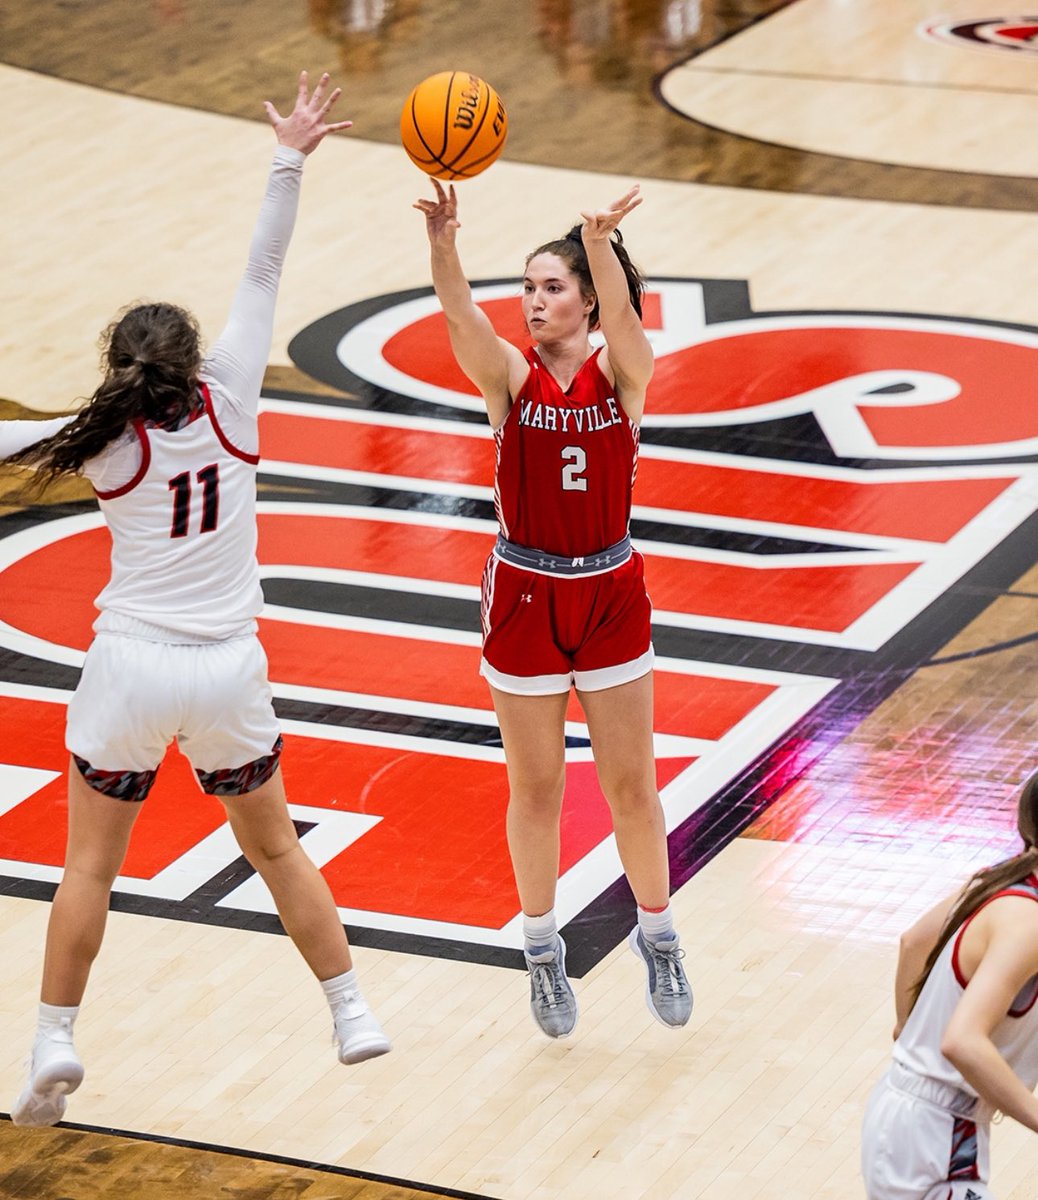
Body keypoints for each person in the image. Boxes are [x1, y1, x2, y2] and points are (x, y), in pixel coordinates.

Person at [3, 71, 390, 1128]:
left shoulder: (102, 447)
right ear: (189, 362)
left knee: (91, 866)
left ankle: (52, 1042)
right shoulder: (233, 396)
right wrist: (291, 152)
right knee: (274, 847)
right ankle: (350, 1008)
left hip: (132, 669)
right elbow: (264, 264)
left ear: (118, 371)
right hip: (227, 669)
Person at [414, 178, 692, 1038]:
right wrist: (444, 243)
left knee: (631, 789)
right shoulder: (508, 376)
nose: (534, 301)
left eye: (552, 287)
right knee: (535, 790)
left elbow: (630, 328)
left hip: (609, 589)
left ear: (587, 302)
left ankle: (660, 935)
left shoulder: (623, 375)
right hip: (526, 591)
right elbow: (461, 319)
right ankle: (541, 951)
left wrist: (599, 243)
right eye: (528, 287)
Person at [862, 770, 1038, 1198]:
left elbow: (914, 942)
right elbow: (962, 1042)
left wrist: (908, 1028)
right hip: (939, 1132)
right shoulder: (1028, 923)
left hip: (910, 1113)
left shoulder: (998, 880)